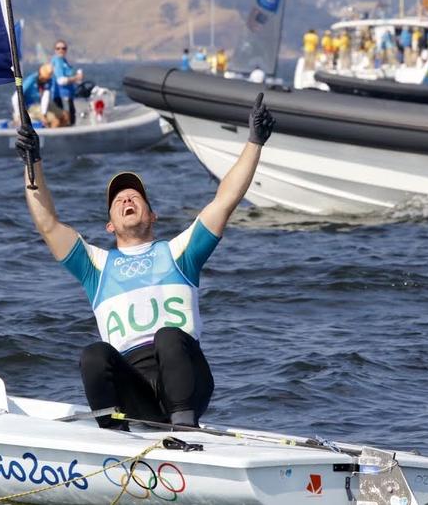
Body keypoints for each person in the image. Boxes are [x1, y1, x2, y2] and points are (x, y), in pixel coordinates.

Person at [15, 94, 276, 430]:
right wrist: (31, 162)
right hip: (135, 393)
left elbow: (225, 199)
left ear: (152, 215)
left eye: (134, 195)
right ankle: (114, 440)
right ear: (110, 225)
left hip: (187, 382)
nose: (125, 198)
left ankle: (184, 432)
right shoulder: (95, 266)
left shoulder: (180, 252)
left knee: (168, 335)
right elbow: (48, 223)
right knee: (94, 355)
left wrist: (255, 142)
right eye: (118, 199)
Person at [50, 40, 83, 125]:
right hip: (61, 96)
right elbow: (61, 81)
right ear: (55, 50)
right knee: (66, 119)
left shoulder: (64, 61)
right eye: (58, 48)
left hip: (68, 95)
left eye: (63, 48)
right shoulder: (57, 61)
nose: (61, 50)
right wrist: (76, 78)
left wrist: (77, 78)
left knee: (71, 117)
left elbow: (69, 77)